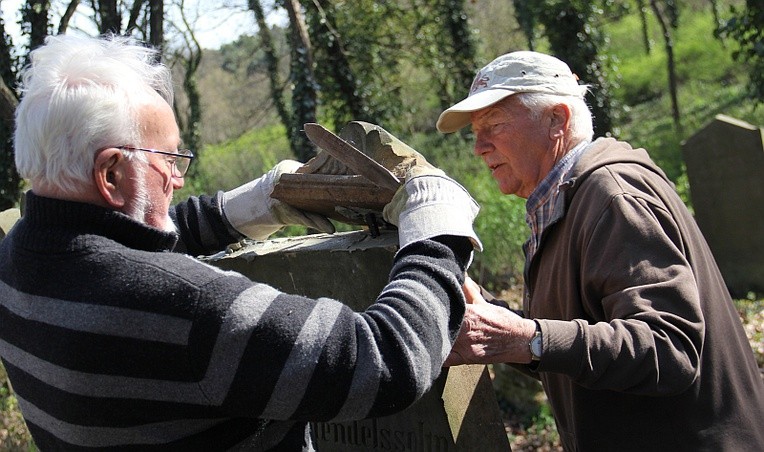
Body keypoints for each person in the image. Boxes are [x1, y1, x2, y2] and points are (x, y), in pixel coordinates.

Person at [0, 34, 482, 450]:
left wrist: (242, 207)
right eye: (170, 158)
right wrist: (437, 234)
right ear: (111, 173)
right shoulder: (190, 311)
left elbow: (124, 253)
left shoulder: (16, 259)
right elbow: (383, 361)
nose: (178, 179)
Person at [437, 50, 764, 451]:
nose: (479, 147)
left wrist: (527, 337)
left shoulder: (613, 197)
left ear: (557, 119)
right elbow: (576, 356)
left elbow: (668, 348)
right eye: (475, 132)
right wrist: (485, 304)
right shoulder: (565, 202)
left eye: (494, 125)